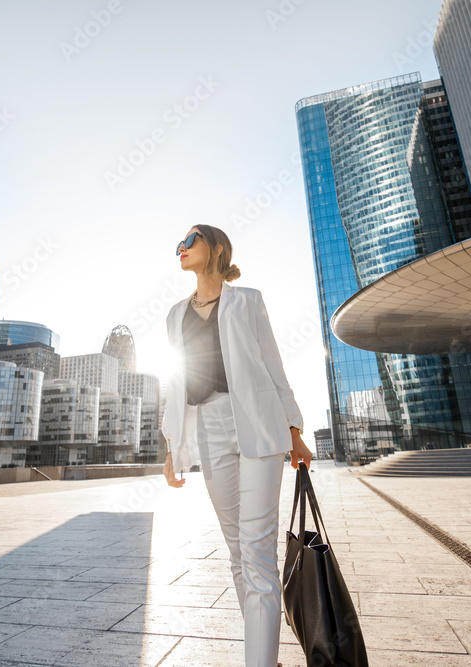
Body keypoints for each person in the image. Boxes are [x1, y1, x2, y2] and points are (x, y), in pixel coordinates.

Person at [160, 224, 312, 667]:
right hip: (206, 429)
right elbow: (174, 383)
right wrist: (172, 447)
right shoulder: (174, 314)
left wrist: (295, 431)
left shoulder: (248, 300)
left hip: (259, 426)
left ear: (217, 248)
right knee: (237, 550)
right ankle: (266, 655)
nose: (181, 249)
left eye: (191, 240)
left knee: (258, 550)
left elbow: (272, 365)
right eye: (178, 245)